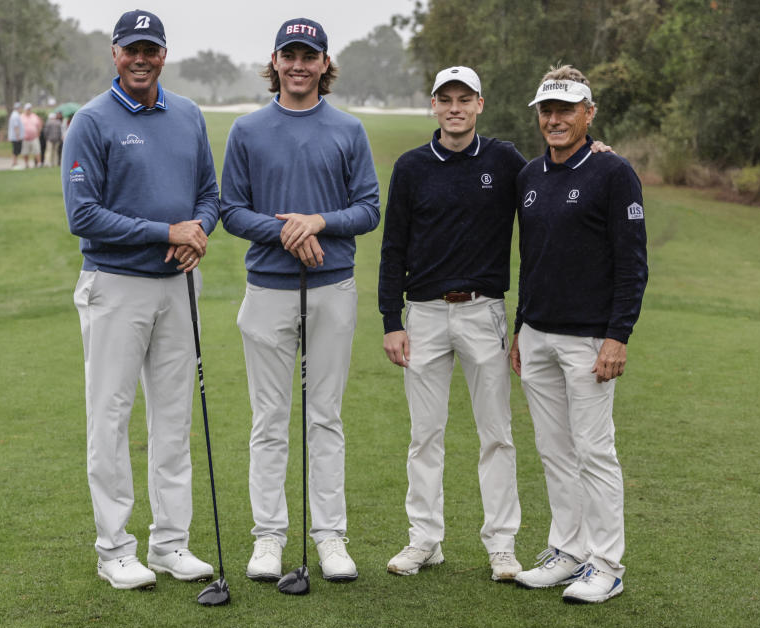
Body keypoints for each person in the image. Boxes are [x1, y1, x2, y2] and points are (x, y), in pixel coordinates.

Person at [62, 8, 220, 591]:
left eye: (150, 49)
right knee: (109, 416)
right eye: (132, 49)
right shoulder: (91, 120)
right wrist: (166, 232)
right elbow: (83, 215)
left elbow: (208, 193)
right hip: (115, 285)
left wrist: (197, 231)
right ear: (115, 52)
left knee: (173, 418)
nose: (141, 58)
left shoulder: (187, 114)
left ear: (163, 54)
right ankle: (113, 548)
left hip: (178, 285)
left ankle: (171, 543)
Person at [220, 17, 380, 584]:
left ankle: (330, 536)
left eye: (309, 56)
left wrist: (318, 221)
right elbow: (230, 210)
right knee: (268, 420)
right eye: (289, 55)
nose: (298, 65)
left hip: (333, 287)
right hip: (267, 290)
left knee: (325, 417)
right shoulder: (247, 129)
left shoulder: (348, 129)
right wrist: (285, 232)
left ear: (323, 64)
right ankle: (268, 538)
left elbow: (368, 208)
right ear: (275, 62)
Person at [378, 66, 524, 581]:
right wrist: (390, 319)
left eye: (465, 98)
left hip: (484, 311)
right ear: (434, 106)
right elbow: (393, 246)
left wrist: (594, 152)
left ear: (480, 104)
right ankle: (425, 540)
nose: (456, 107)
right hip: (424, 315)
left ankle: (502, 544)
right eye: (447, 99)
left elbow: (552, 185)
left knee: (497, 434)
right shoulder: (412, 166)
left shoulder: (505, 160)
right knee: (425, 435)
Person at [510, 65, 648, 604]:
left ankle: (606, 565)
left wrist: (619, 335)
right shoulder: (528, 176)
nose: (555, 119)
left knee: (594, 451)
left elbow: (632, 263)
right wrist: (520, 328)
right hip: (537, 335)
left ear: (588, 113)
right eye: (547, 110)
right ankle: (568, 551)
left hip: (590, 339)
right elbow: (533, 260)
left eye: (566, 110)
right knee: (554, 451)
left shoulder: (614, 173)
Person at [20, 103, 42, 168]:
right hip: (25, 138)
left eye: (29, 109)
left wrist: (38, 132)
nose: (28, 110)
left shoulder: (34, 116)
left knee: (37, 151)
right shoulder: (21, 117)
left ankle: (39, 163)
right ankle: (26, 164)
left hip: (34, 137)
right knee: (25, 152)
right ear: (25, 109)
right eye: (27, 109)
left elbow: (39, 124)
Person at [7, 102, 23, 168]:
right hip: (16, 137)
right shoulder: (15, 115)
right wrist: (18, 135)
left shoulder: (15, 114)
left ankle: (15, 162)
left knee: (16, 150)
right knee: (16, 150)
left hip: (15, 136)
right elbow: (16, 126)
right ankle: (15, 162)